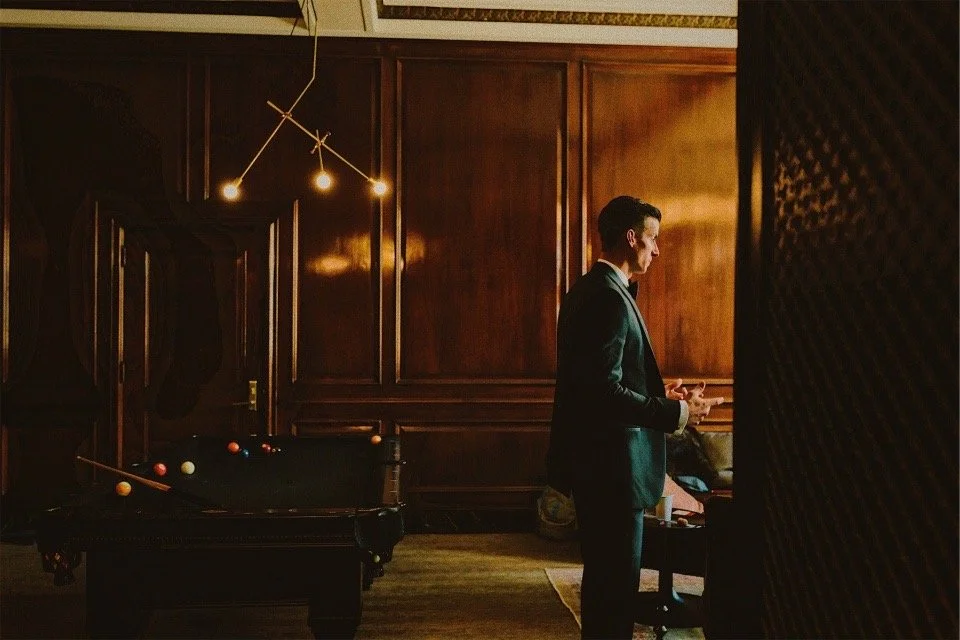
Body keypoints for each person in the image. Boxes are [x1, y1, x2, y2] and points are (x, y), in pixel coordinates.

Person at [546, 195, 723, 639]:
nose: (657, 249)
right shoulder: (607, 298)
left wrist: (657, 392)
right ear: (631, 238)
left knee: (607, 585)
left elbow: (596, 381)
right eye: (653, 238)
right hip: (612, 470)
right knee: (614, 590)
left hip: (599, 466)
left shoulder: (589, 291)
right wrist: (678, 411)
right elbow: (602, 393)